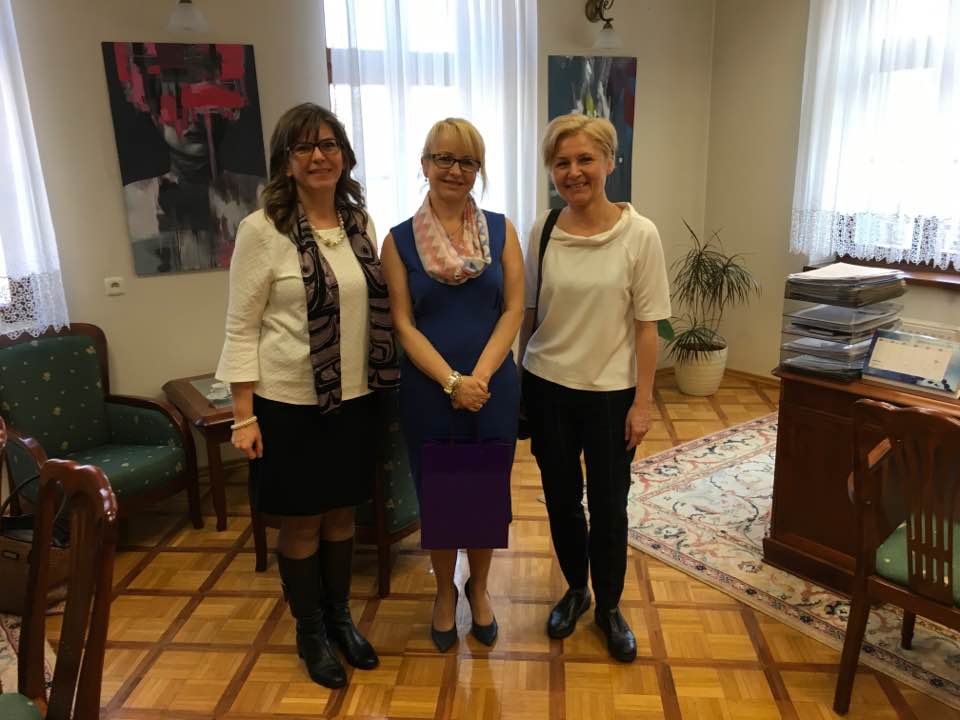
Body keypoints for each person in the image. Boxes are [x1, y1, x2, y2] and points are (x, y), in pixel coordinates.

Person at [215, 102, 399, 688]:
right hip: (289, 403)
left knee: (342, 513)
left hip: (355, 398)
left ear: (343, 155)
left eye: (328, 145)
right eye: (304, 148)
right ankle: (310, 631)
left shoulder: (359, 223)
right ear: (286, 162)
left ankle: (342, 618)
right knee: (301, 524)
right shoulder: (260, 230)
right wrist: (243, 416)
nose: (319, 156)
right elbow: (241, 326)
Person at [518, 114, 671, 662]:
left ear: (610, 162)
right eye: (562, 162)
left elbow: (648, 325)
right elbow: (529, 312)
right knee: (561, 499)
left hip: (610, 393)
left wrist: (643, 402)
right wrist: (519, 382)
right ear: (551, 171)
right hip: (548, 386)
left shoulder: (640, 233)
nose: (574, 171)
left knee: (609, 505)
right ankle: (575, 589)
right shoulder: (544, 230)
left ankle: (609, 605)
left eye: (586, 159)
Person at [380, 118, 523, 652]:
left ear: (477, 171)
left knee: (485, 492)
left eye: (467, 161)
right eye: (444, 158)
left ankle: (478, 589)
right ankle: (444, 592)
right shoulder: (396, 242)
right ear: (424, 165)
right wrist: (451, 382)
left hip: (492, 387)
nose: (455, 170)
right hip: (428, 389)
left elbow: (512, 310)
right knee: (440, 496)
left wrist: (479, 378)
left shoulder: (502, 230)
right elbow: (403, 323)